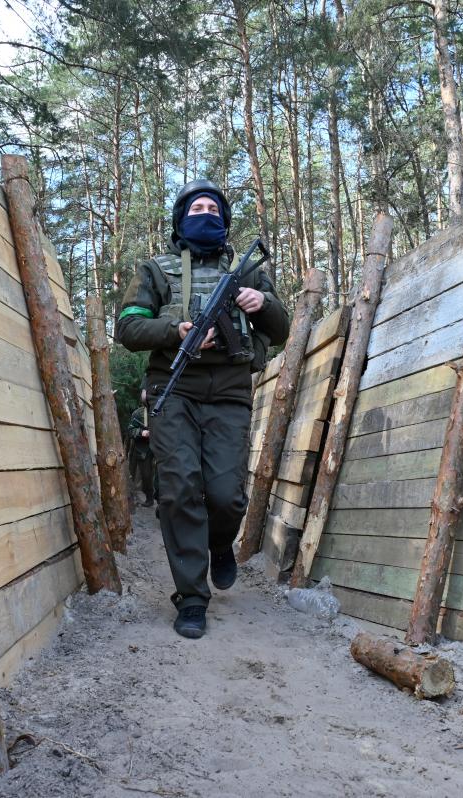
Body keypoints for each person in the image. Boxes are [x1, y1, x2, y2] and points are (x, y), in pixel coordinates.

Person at [117, 179, 290, 638]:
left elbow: (283, 330)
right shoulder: (156, 269)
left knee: (226, 494)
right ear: (182, 218)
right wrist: (177, 330)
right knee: (178, 489)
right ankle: (192, 597)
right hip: (173, 388)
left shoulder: (245, 270)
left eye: (213, 207)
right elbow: (128, 328)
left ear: (225, 219)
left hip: (230, 389)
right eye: (197, 207)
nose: (206, 212)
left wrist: (263, 302)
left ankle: (219, 541)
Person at [127, 390, 155, 508]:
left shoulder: (162, 412)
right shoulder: (138, 413)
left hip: (160, 447)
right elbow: (130, 430)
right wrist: (141, 432)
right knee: (146, 475)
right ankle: (149, 498)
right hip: (143, 449)